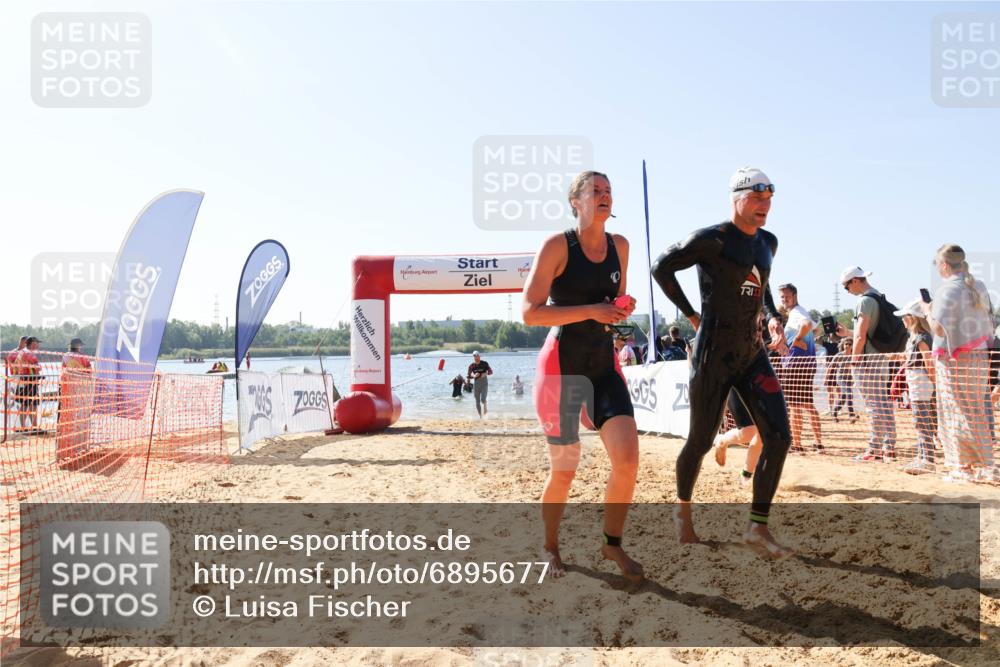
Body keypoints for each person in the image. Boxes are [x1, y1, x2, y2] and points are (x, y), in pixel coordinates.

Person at [651, 166, 792, 558]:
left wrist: (773, 317)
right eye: (757, 198)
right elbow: (660, 267)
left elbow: (758, 285)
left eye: (769, 199)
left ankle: (757, 528)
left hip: (752, 353)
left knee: (779, 437)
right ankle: (682, 511)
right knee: (699, 440)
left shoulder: (769, 242)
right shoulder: (710, 239)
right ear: (737, 198)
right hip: (713, 355)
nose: (765, 205)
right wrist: (692, 315)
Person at [523, 169, 642, 581]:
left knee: (627, 461)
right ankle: (549, 545)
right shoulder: (558, 246)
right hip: (562, 369)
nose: (604, 196)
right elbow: (530, 312)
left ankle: (612, 546)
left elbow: (616, 304)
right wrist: (592, 310)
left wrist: (622, 308)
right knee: (565, 470)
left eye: (608, 190)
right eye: (595, 191)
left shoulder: (620, 246)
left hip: (603, 367)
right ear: (576, 201)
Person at [921, 244, 996, 482]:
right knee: (976, 411)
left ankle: (962, 467)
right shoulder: (978, 286)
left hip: (954, 359)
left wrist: (927, 310)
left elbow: (937, 328)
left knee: (954, 411)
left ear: (944, 265)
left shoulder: (948, 289)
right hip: (980, 355)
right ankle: (987, 465)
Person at [835, 266, 898, 461]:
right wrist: (847, 334)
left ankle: (874, 449)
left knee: (873, 406)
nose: (848, 291)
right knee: (884, 403)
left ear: (854, 281)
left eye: (846, 287)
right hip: (881, 358)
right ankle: (889, 446)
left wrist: (854, 361)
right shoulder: (879, 296)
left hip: (867, 361)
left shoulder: (863, 302)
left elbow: (861, 336)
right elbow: (868, 334)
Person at [778, 284, 823, 454]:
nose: (784, 299)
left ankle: (797, 444)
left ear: (795, 295)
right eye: (782, 297)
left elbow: (806, 325)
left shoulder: (798, 313)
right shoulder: (800, 311)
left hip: (796, 365)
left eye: (787, 296)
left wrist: (797, 339)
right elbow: (816, 328)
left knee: (795, 406)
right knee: (806, 404)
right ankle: (818, 443)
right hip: (805, 363)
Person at [892, 300, 937, 474]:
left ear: (913, 318)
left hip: (922, 384)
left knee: (922, 421)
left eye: (905, 316)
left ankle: (928, 460)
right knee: (920, 421)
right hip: (916, 383)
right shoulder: (914, 338)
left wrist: (935, 386)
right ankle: (922, 457)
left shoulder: (922, 338)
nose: (902, 319)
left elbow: (929, 364)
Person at [13, 337, 42, 433]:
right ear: (32, 344)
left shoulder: (21, 352)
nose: (38, 345)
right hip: (30, 381)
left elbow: (15, 367)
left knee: (25, 404)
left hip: (22, 380)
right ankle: (33, 427)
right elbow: (38, 368)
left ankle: (24, 427)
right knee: (32, 404)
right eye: (36, 343)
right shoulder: (30, 353)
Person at [829, 338, 858, 422]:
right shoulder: (839, 355)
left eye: (850, 344)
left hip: (849, 379)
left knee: (843, 397)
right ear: (843, 346)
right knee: (849, 393)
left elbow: (858, 367)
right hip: (840, 377)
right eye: (846, 344)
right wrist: (827, 378)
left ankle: (834, 412)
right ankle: (851, 415)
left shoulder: (854, 355)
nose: (848, 346)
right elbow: (831, 366)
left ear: (852, 346)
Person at [466, 352, 492, 417]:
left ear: (479, 356)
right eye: (475, 356)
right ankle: (480, 416)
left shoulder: (484, 363)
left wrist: (485, 374)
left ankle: (485, 405)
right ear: (473, 357)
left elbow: (491, 372)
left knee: (483, 400)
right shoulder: (472, 366)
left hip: (484, 383)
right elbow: (468, 376)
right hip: (476, 384)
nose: (476, 358)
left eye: (477, 356)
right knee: (477, 401)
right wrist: (473, 375)